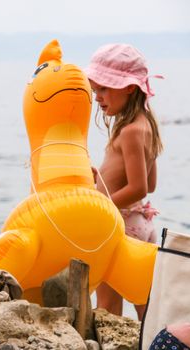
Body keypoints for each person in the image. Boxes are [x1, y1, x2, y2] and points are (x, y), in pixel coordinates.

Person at [85, 43, 163, 320]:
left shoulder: (130, 131)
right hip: (141, 223)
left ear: (129, 87)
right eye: (95, 91)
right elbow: (149, 185)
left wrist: (99, 205)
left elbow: (139, 188)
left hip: (122, 227)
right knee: (147, 308)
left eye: (104, 89)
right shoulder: (145, 125)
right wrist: (102, 179)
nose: (98, 98)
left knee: (107, 309)